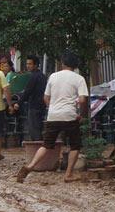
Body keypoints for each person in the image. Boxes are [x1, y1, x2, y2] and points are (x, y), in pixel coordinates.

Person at [17, 51, 89, 184]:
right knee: (75, 145)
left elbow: (45, 98)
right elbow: (83, 99)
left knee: (46, 144)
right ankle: (68, 174)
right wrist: (80, 113)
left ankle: (30, 166)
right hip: (69, 116)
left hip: (53, 115)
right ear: (75, 65)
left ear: (62, 63)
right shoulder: (79, 78)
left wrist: (53, 108)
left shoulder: (53, 76)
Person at [20, 55, 47, 141]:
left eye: (30, 64)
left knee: (34, 129)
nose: (28, 66)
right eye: (27, 64)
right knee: (38, 128)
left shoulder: (34, 76)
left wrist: (18, 103)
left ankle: (37, 151)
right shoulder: (42, 76)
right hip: (41, 105)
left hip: (34, 106)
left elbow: (27, 91)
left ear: (36, 65)